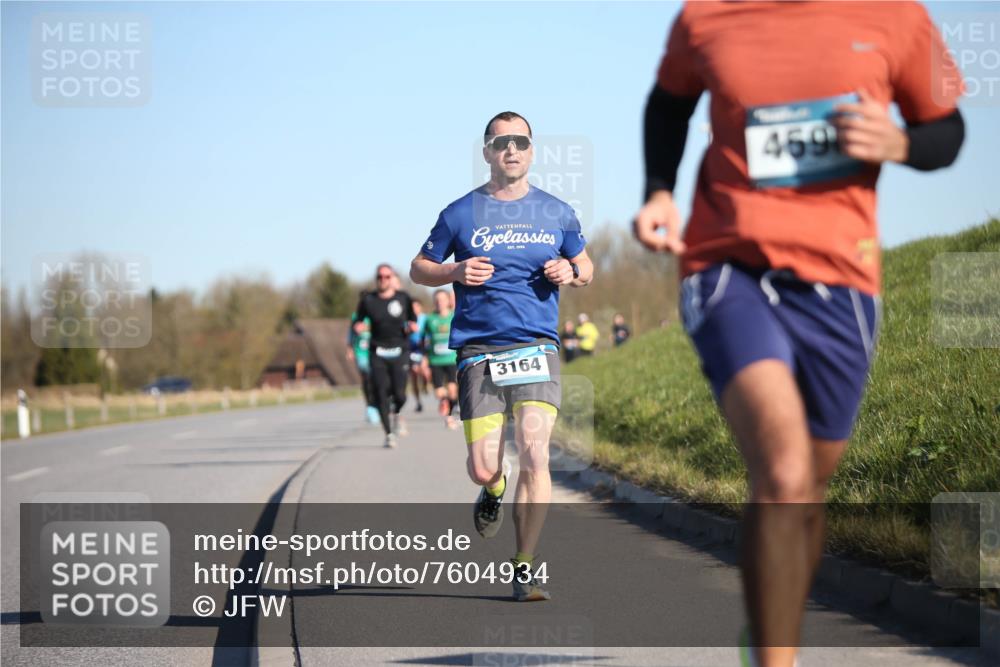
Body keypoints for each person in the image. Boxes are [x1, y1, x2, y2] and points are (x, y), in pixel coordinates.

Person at [633, 3, 964, 666]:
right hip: (728, 265)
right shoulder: (706, 16)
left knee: (807, 490)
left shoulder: (897, 17)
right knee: (783, 475)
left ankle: (766, 629)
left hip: (843, 279)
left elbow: (946, 131)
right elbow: (668, 105)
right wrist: (660, 191)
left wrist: (898, 143)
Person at [410, 111, 594, 601]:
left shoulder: (557, 211)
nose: (511, 149)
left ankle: (525, 567)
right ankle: (493, 487)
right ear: (487, 151)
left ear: (531, 151)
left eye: (520, 141)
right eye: (500, 142)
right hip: (480, 350)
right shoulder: (460, 213)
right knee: (481, 465)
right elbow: (419, 267)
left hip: (538, 346)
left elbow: (586, 264)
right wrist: (454, 272)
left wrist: (570, 273)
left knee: (536, 452)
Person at [355, 263, 418, 448]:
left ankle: (397, 412)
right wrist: (358, 327)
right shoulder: (369, 300)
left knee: (400, 395)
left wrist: (412, 326)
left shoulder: (403, 298)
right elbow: (358, 320)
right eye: (380, 277)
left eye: (387, 277)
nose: (383, 280)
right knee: (381, 392)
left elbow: (413, 319)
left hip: (400, 350)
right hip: (378, 352)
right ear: (376, 279)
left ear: (393, 278)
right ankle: (389, 434)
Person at [424, 288, 460, 430]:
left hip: (451, 359)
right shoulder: (429, 319)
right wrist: (424, 359)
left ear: (447, 301)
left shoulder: (454, 316)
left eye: (442, 300)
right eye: (437, 300)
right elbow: (424, 340)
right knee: (439, 392)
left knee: (452, 390)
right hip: (435, 361)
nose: (440, 303)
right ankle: (445, 403)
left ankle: (449, 416)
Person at [346, 305, 380, 424]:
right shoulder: (356, 317)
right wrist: (350, 348)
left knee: (377, 379)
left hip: (375, 351)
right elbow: (351, 333)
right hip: (361, 352)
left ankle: (380, 402)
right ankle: (370, 407)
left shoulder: (376, 313)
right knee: (366, 380)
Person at [408, 300, 431, 413]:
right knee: (414, 374)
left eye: (417, 307)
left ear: (420, 308)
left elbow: (431, 332)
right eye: (412, 307)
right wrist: (408, 330)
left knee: (425, 372)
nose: (414, 309)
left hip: (423, 349)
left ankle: (426, 385)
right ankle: (418, 402)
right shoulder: (407, 319)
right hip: (411, 349)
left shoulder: (425, 319)